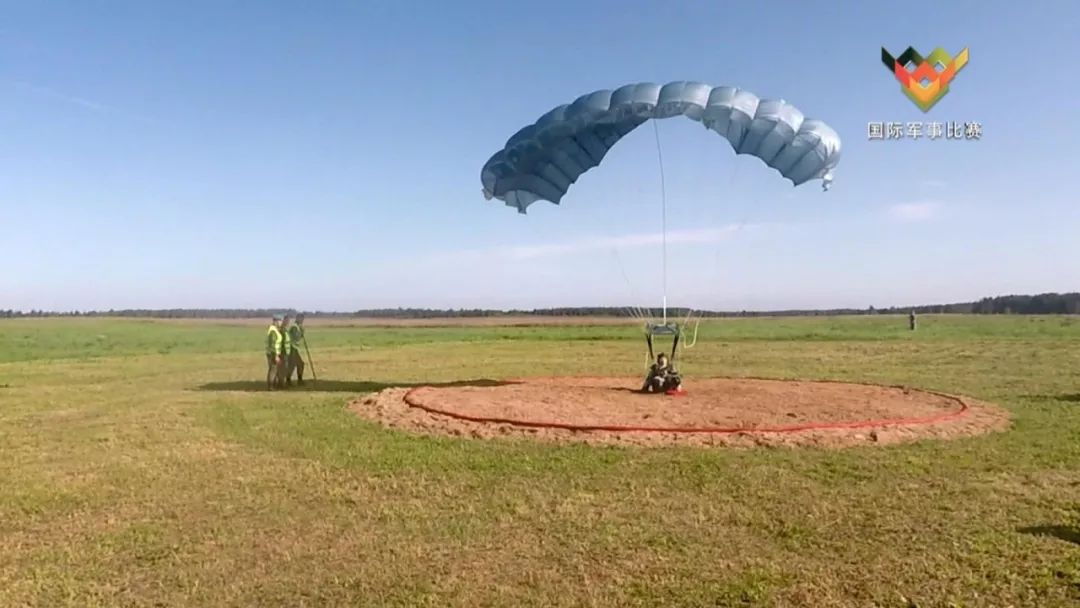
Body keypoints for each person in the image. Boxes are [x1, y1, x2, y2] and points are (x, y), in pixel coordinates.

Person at [266, 314, 286, 390]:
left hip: (275, 352)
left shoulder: (275, 329)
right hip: (272, 353)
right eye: (280, 321)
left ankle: (275, 384)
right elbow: (273, 344)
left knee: (275, 368)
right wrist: (276, 356)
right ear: (276, 321)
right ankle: (270, 386)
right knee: (273, 369)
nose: (281, 322)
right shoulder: (273, 330)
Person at [286, 313, 307, 385]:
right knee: (297, 364)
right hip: (292, 347)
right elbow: (295, 337)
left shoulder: (298, 326)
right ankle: (292, 379)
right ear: (297, 318)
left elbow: (299, 337)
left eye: (303, 319)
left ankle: (292, 379)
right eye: (301, 318)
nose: (302, 320)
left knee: (295, 364)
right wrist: (301, 331)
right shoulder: (295, 327)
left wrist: (302, 332)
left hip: (295, 347)